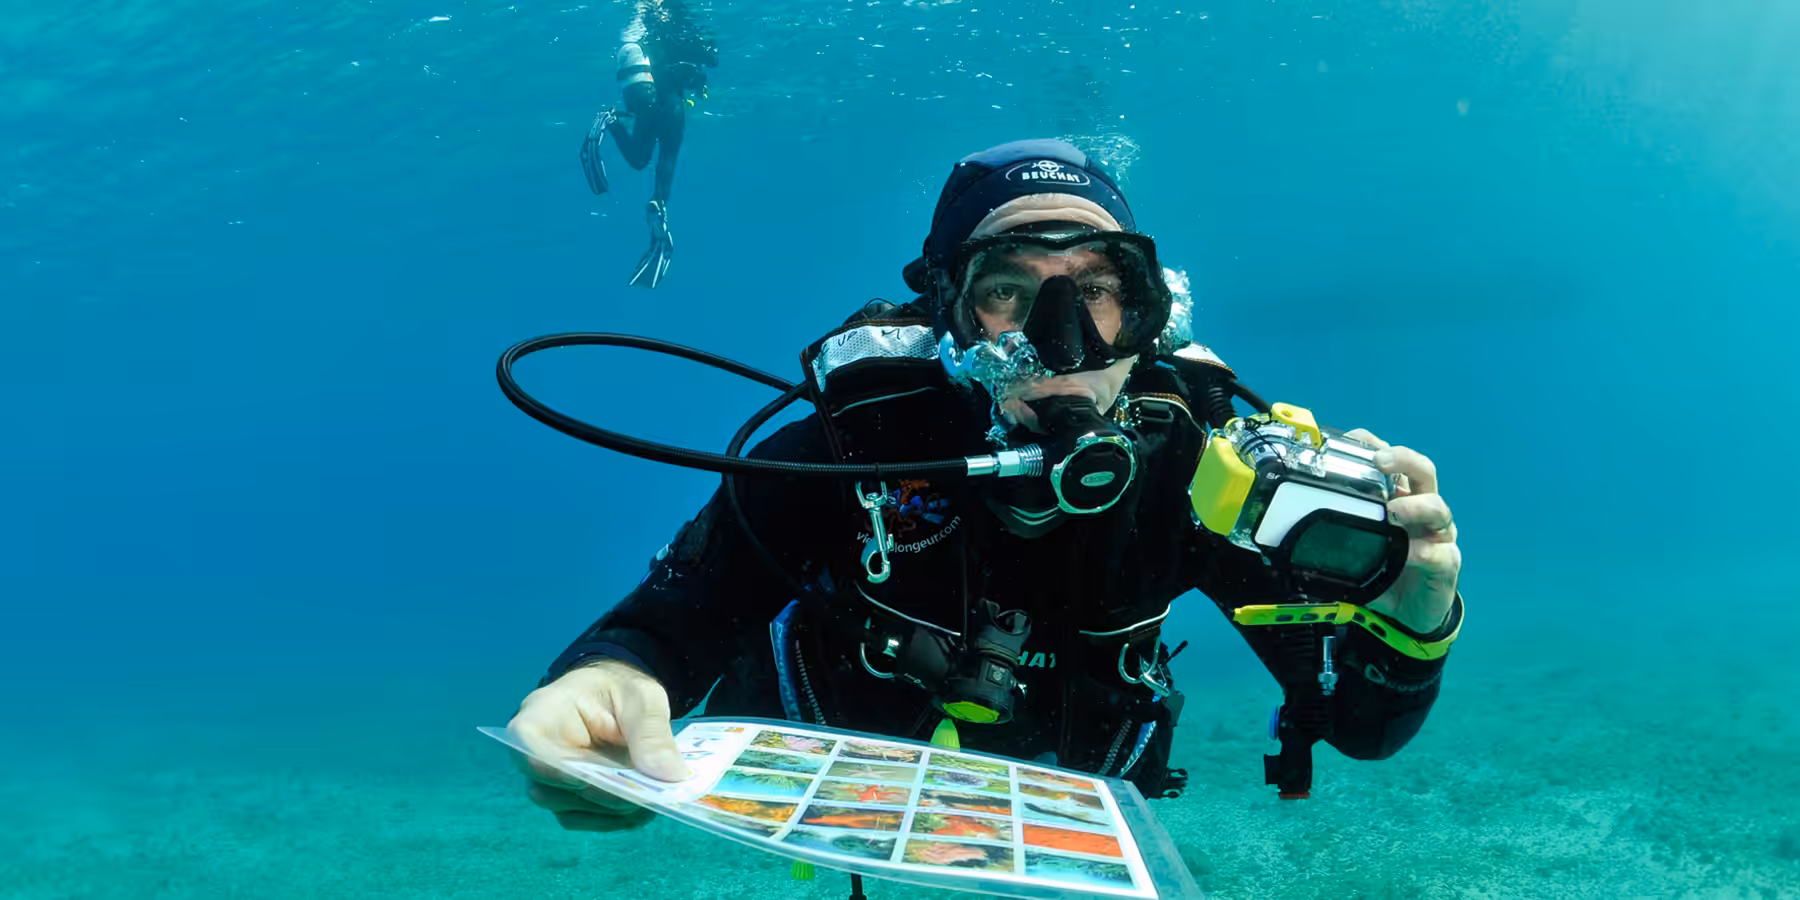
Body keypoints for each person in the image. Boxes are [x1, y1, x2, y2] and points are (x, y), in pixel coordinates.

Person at [510, 138, 1467, 833]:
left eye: (1100, 288)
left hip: (1070, 805)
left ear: (1149, 313)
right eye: (1009, 289)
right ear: (949, 316)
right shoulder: (855, 447)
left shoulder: (1199, 470)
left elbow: (1357, 727)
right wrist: (607, 682)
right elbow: (670, 620)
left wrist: (1413, 620)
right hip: (849, 789)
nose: (1065, 340)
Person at [579, 0, 718, 289]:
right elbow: (711, 60)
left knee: (640, 159)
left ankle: (612, 122)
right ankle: (659, 201)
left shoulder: (646, 37)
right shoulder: (681, 28)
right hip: (670, 104)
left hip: (644, 100)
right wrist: (705, 49)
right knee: (668, 155)